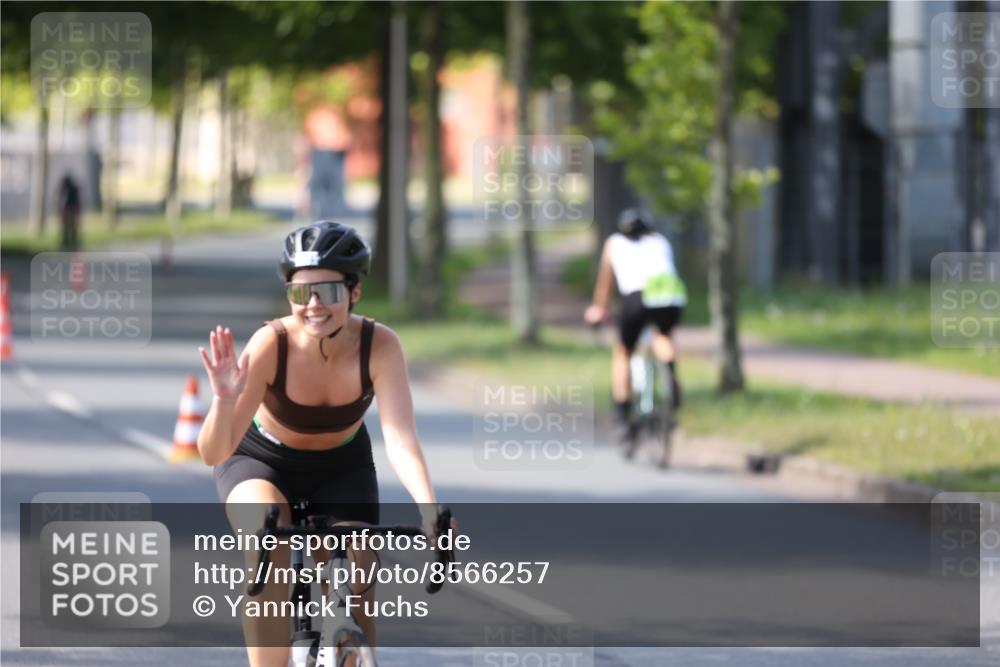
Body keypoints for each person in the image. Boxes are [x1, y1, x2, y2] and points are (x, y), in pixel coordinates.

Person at [197, 221, 444, 667]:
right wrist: (222, 398)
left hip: (341, 465)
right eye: (299, 293)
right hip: (259, 460)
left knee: (360, 580)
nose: (312, 306)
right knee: (266, 544)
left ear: (354, 293)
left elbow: (401, 438)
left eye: (327, 292)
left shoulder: (380, 345)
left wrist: (430, 510)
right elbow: (214, 452)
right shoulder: (272, 343)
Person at [584, 208, 687, 441]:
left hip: (636, 297)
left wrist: (598, 309)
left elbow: (605, 283)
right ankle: (670, 379)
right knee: (663, 335)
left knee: (623, 352)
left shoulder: (614, 242)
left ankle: (622, 416)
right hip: (669, 293)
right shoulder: (660, 241)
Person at [57, 174, 81, 251]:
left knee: (67, 228)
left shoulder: (65, 189)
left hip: (68, 210)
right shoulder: (73, 189)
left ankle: (68, 243)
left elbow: (61, 201)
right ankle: (71, 243)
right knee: (70, 228)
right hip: (70, 210)